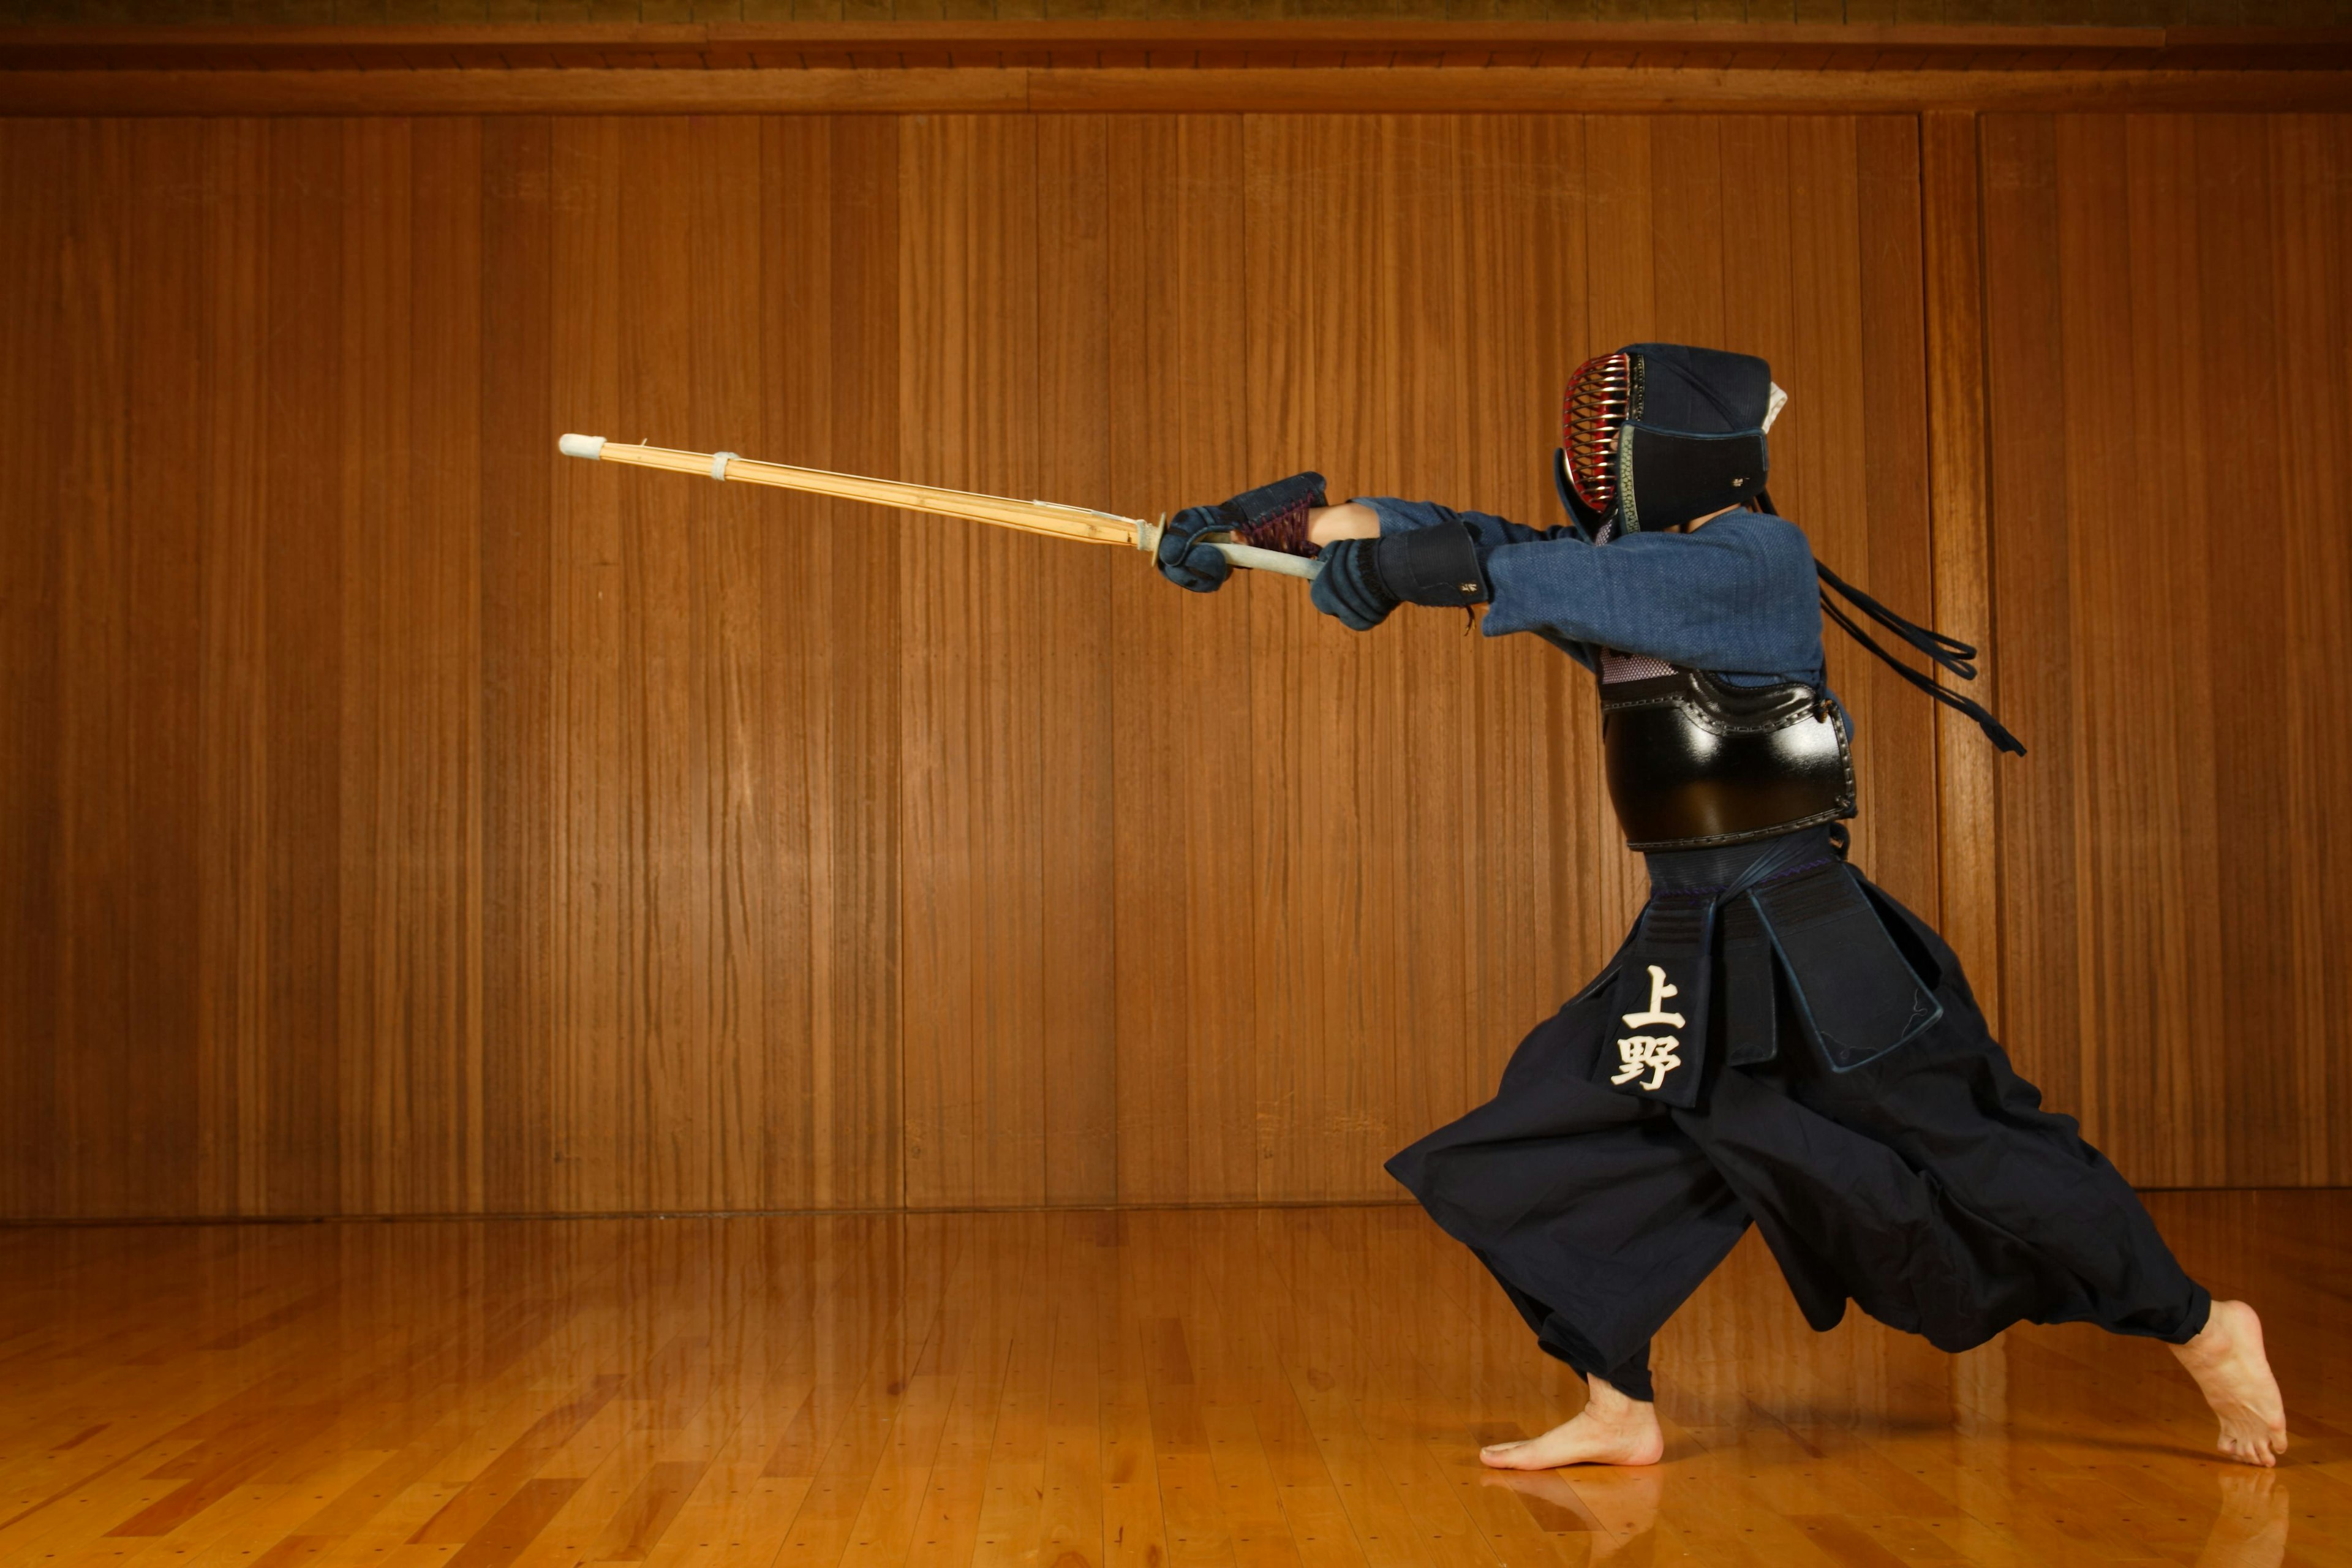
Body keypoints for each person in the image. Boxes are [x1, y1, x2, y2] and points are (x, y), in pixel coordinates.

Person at [1153, 343, 2289, 1469]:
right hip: (1686, 935)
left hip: (1809, 938)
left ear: (1674, 453)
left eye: (1609, 446)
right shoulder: (1614, 563)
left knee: (1973, 1146)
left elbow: (1527, 573)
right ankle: (1617, 1403)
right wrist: (1287, 531)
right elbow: (1492, 545)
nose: (1590, 468)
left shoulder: (1753, 560)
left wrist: (1431, 568)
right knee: (1563, 1130)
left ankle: (2200, 1328)